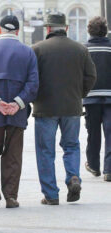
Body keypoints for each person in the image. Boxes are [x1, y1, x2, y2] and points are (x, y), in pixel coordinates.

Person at [32, 12, 97, 205]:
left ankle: (51, 194)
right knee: (71, 145)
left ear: (48, 29)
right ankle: (73, 177)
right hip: (72, 106)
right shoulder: (80, 49)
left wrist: (35, 98)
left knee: (45, 151)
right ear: (66, 28)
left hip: (45, 108)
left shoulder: (37, 49)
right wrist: (80, 94)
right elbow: (91, 76)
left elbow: (32, 79)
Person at [0, 15, 39, 209]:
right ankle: (11, 196)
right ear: (17, 31)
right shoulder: (28, 52)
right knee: (13, 155)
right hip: (18, 113)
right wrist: (17, 103)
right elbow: (33, 83)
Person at [84, 16, 111, 182]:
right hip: (110, 97)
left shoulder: (84, 50)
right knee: (110, 133)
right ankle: (109, 169)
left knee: (93, 133)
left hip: (91, 98)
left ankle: (94, 165)